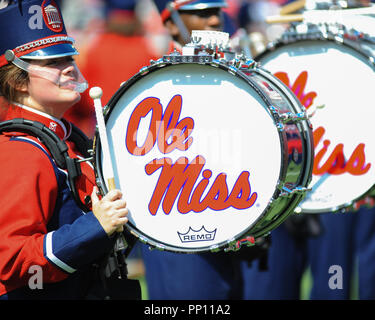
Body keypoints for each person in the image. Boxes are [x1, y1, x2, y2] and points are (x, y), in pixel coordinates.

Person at [0, 0, 138, 300]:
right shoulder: (22, 151)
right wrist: (95, 227)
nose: (70, 69)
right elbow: (10, 260)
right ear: (19, 81)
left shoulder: (68, 140)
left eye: (68, 58)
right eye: (52, 63)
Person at [138, 0, 270, 300]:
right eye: (202, 13)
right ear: (171, 23)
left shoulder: (236, 73)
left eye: (217, 12)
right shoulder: (154, 86)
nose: (214, 20)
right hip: (181, 226)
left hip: (234, 220)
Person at [63, 0, 160, 138]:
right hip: (135, 121)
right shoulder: (146, 49)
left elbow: (82, 91)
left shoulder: (96, 47)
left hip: (100, 118)